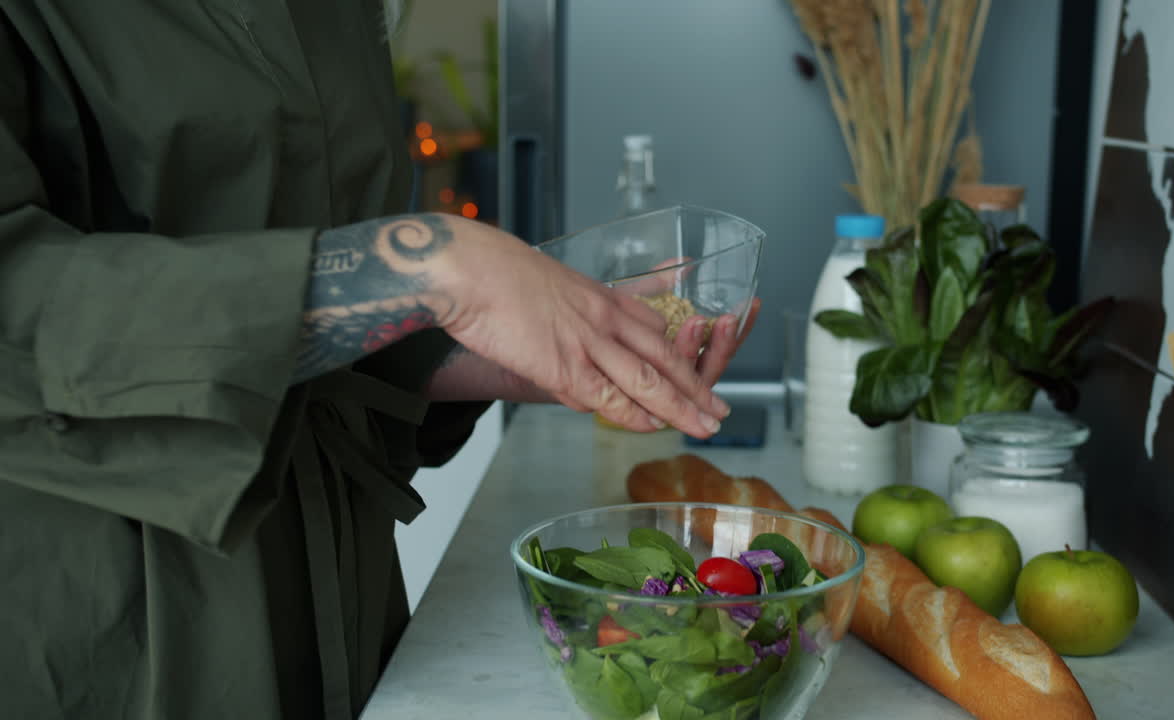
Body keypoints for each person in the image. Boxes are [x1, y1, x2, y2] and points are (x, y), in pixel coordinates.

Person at [0, 3, 758, 719]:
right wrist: (434, 270)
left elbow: (330, 296)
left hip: (344, 585)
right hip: (116, 608)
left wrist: (514, 351)